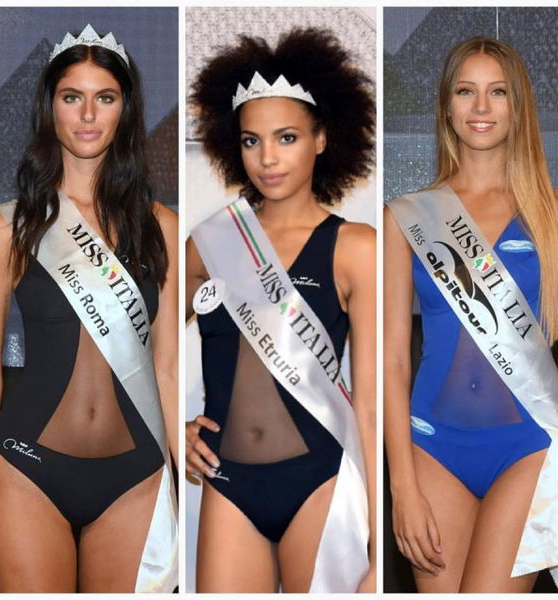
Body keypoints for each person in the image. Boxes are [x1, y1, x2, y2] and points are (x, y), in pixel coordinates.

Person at [0, 25, 178, 592]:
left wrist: (184, 493)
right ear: (51, 107)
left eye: (105, 98)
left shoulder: (162, 227)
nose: (88, 115)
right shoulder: (7, 228)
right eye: (73, 97)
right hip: (26, 471)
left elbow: (168, 370)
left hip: (136, 479)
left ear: (126, 109)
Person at [185, 28, 376, 592]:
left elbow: (370, 404)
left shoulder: (355, 247)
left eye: (286, 137)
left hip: (321, 481)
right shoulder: (210, 243)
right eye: (251, 141)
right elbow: (145, 345)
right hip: (227, 482)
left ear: (321, 139)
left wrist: (377, 529)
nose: (267, 158)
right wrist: (176, 425)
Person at [384, 37, 558, 593]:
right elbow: (392, 360)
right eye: (466, 91)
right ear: (447, 105)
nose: (482, 107)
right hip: (431, 448)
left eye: (498, 92)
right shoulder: (407, 217)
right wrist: (401, 486)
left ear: (519, 107)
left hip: (529, 449)